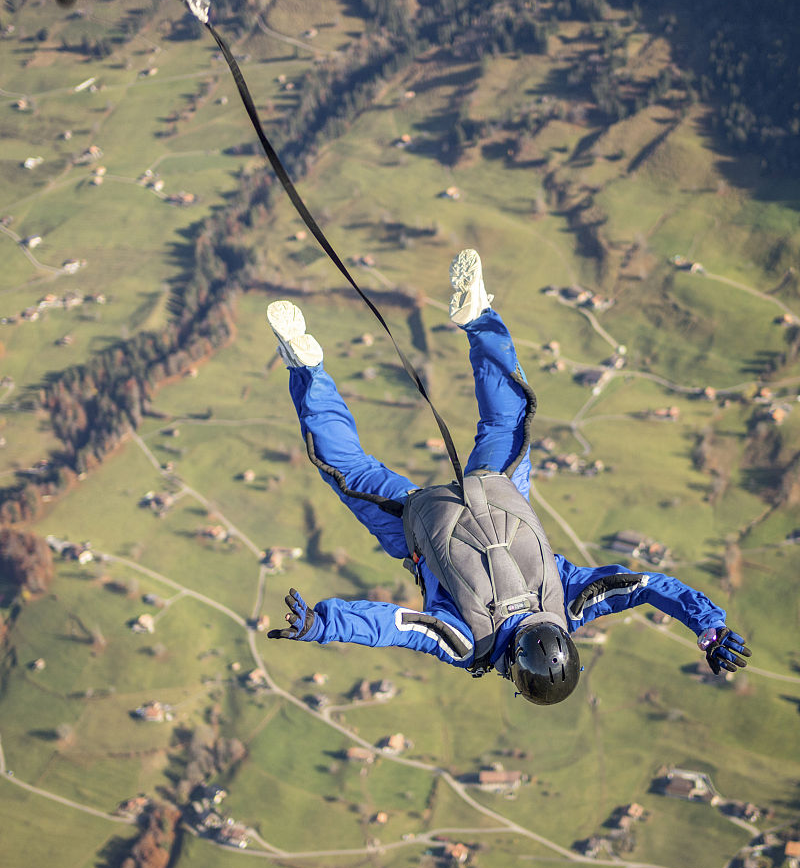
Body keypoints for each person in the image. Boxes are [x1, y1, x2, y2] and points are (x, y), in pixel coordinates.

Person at [265, 250, 750, 705]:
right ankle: (307, 368)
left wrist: (711, 629)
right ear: (515, 675)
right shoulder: (465, 643)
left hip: (498, 485)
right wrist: (321, 624)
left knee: (507, 418)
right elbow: (396, 625)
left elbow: (644, 585)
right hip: (419, 520)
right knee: (348, 468)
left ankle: (478, 318)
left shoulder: (571, 603)